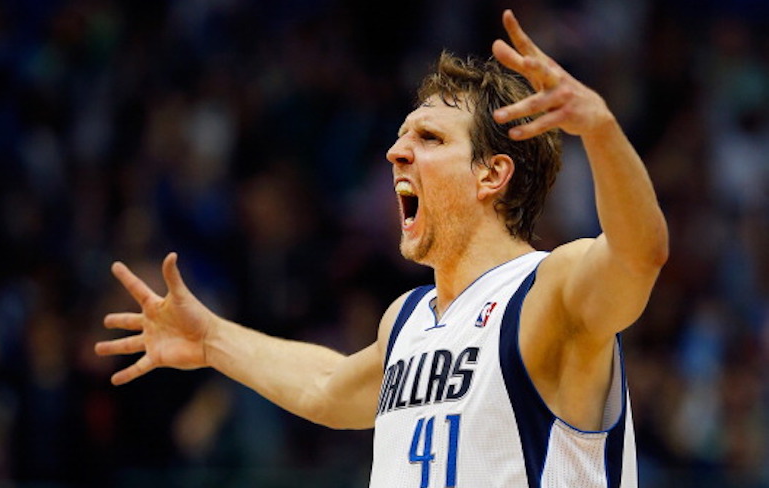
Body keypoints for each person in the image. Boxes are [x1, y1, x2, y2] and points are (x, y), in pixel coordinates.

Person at [96, 9, 667, 487]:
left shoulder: (548, 290)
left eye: (429, 137)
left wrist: (600, 130)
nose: (396, 152)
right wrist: (213, 338)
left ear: (491, 175)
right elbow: (325, 387)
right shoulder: (408, 319)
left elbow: (639, 255)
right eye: (400, 136)